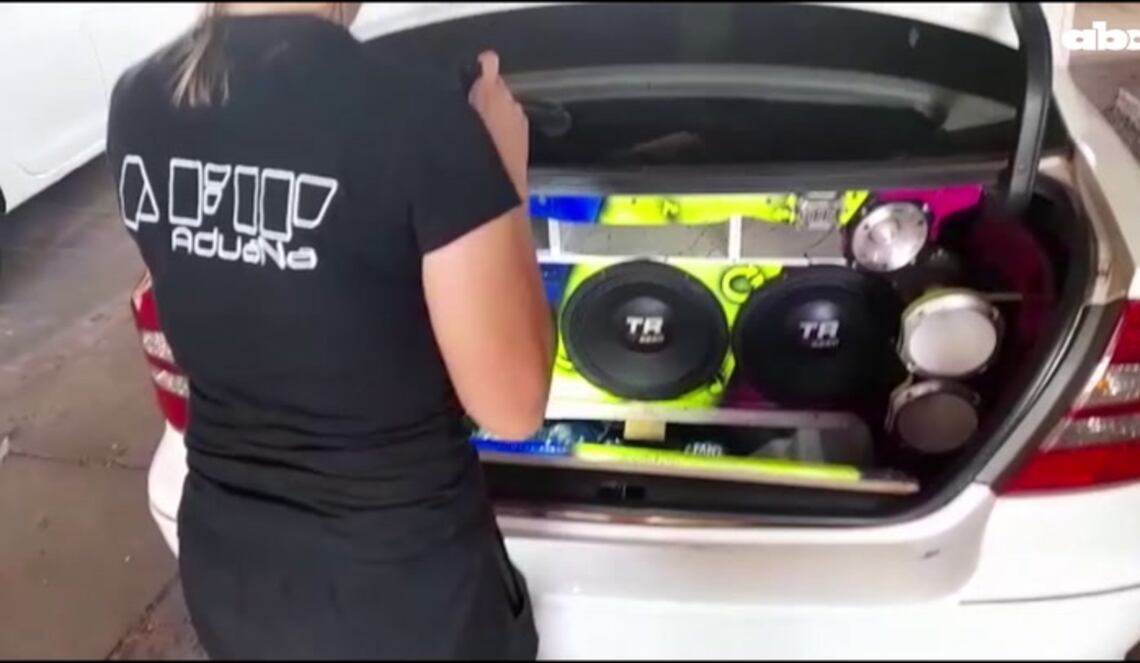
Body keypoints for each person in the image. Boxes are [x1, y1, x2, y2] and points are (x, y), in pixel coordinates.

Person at [106, 2, 553, 659]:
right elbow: (513, 409)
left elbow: (218, 297)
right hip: (406, 602)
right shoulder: (418, 117)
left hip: (232, 579)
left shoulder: (138, 99)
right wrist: (503, 175)